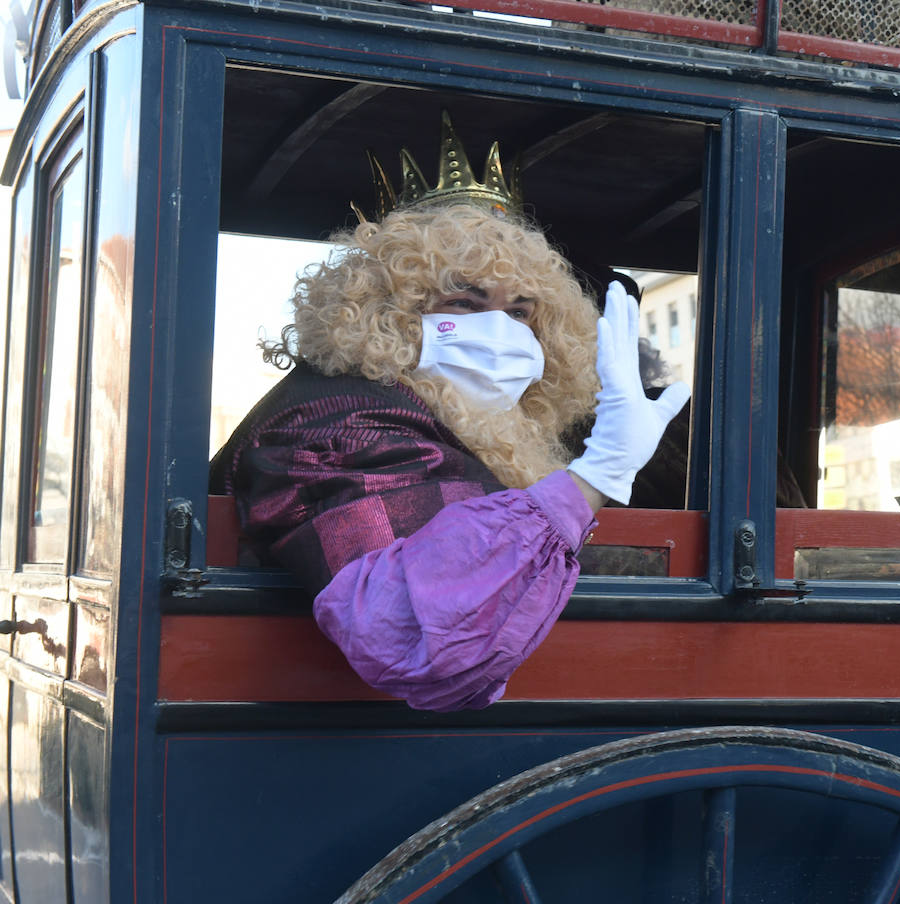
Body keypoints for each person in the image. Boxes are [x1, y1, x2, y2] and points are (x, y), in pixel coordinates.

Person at [209, 117, 689, 711]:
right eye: (463, 303)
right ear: (388, 310)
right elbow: (419, 637)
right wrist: (599, 474)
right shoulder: (337, 423)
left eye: (520, 312)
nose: (498, 331)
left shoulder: (437, 417)